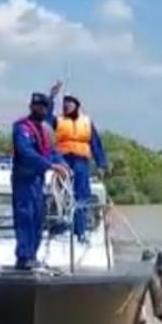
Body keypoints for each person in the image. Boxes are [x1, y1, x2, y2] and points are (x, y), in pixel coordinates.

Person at [10, 91, 68, 271]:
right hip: (24, 180)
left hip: (38, 181)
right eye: (38, 107)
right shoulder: (22, 128)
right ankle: (23, 257)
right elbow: (26, 153)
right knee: (25, 217)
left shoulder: (45, 130)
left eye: (44, 107)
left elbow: (51, 151)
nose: (41, 110)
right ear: (31, 107)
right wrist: (50, 166)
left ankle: (32, 256)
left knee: (37, 219)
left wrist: (63, 165)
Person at [46, 84, 108, 243]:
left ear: (77, 105)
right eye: (64, 103)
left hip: (81, 162)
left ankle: (79, 232)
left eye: (70, 103)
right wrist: (51, 97)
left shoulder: (87, 122)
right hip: (63, 161)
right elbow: (45, 115)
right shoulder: (58, 120)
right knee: (60, 194)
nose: (66, 106)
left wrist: (101, 164)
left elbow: (96, 144)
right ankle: (57, 227)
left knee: (81, 196)